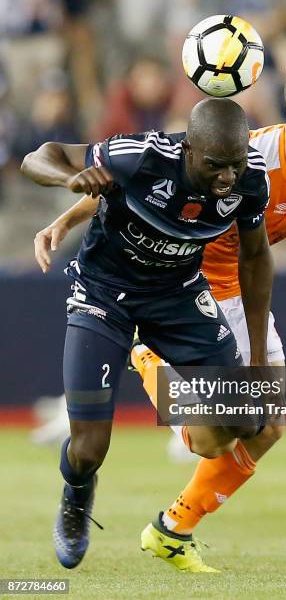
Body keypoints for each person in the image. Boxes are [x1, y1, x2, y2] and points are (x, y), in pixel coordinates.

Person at [32, 53, 286, 573]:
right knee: (146, 441)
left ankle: (172, 529)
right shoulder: (249, 150)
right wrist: (69, 211)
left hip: (211, 294)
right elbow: (131, 179)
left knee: (258, 425)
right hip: (174, 287)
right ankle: (146, 361)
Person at [21, 97, 273, 572]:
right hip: (104, 293)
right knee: (89, 449)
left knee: (244, 422)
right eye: (215, 166)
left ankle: (153, 366)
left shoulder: (251, 178)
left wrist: (256, 357)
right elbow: (40, 156)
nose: (226, 178)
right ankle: (76, 496)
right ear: (188, 151)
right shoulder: (139, 155)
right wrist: (69, 178)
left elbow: (256, 260)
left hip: (179, 296)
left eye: (234, 165)